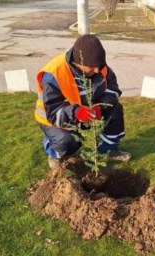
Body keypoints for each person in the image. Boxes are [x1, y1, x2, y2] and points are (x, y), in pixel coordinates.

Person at [34, 34, 131, 168]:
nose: (97, 70)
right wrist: (76, 113)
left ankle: (108, 149)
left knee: (115, 109)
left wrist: (100, 108)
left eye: (99, 65)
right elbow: (53, 112)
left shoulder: (98, 65)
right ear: (79, 62)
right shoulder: (53, 74)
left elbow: (113, 90)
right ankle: (54, 149)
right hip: (56, 119)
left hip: (89, 113)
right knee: (67, 142)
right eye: (92, 67)